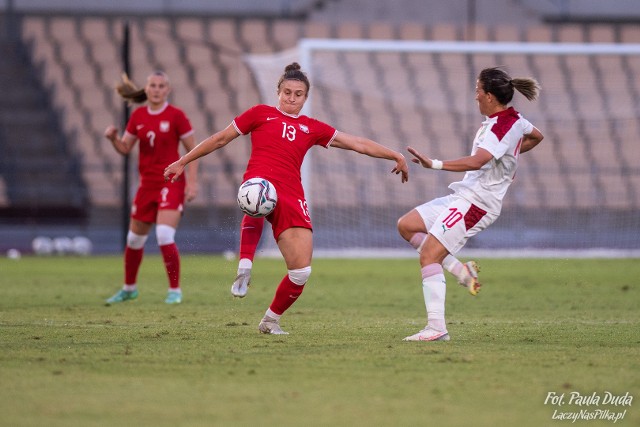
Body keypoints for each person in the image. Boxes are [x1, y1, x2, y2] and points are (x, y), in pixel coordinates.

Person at [164, 62, 408, 334]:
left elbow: (357, 143)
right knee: (257, 196)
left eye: (298, 94)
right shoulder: (260, 114)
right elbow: (221, 138)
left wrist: (394, 154)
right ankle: (245, 264)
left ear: (305, 97)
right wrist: (183, 161)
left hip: (291, 194)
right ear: (278, 92)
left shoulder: (311, 127)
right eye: (287, 92)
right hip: (259, 181)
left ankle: (270, 321)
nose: (292, 98)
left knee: (301, 272)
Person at [398, 67, 544, 342]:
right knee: (407, 225)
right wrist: (510, 155)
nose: (475, 96)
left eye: (477, 90)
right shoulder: (513, 119)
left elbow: (478, 161)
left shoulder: (500, 128)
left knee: (429, 254)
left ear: (489, 96)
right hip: (463, 195)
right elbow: (537, 136)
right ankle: (461, 271)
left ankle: (436, 328)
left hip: (477, 203)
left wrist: (434, 164)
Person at [104, 71, 199, 305]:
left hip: (171, 183)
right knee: (134, 240)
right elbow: (125, 148)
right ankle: (129, 289)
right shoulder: (137, 116)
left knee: (164, 234)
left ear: (168, 90)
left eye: (161, 86)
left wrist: (193, 183)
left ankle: (174, 291)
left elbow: (194, 152)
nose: (156, 89)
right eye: (153, 85)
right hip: (146, 186)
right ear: (146, 89)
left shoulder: (176, 116)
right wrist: (114, 139)